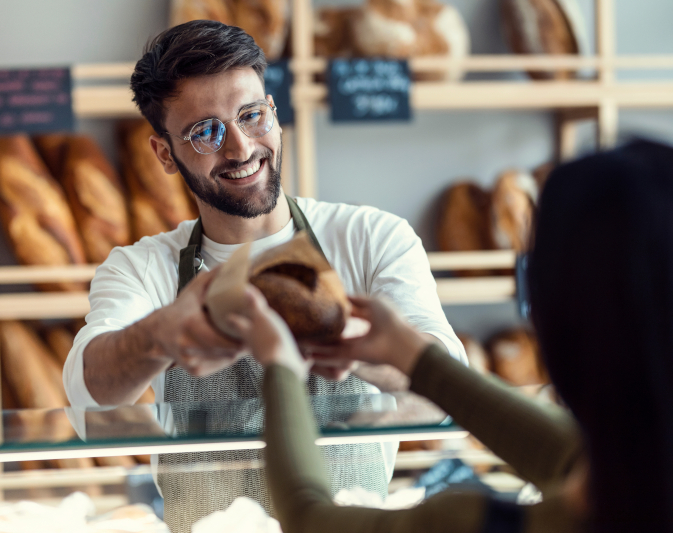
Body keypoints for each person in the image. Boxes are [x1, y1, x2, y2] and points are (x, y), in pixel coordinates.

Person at [63, 19, 464, 531]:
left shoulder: (371, 238)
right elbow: (89, 402)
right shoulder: (142, 268)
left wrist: (350, 339)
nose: (240, 148)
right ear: (165, 153)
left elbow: (449, 387)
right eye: (205, 132)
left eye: (251, 115)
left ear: (274, 113)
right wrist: (163, 333)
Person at [232, 139, 673, 532]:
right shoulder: (640, 477)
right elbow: (561, 450)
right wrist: (411, 355)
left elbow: (310, 518)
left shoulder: (470, 522)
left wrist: (280, 368)